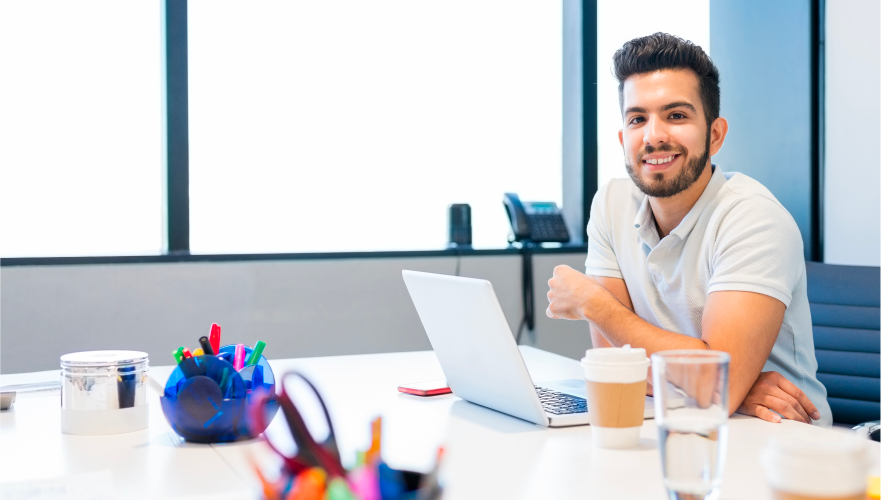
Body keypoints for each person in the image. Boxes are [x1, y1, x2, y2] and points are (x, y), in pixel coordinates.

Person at [546, 33, 831, 426]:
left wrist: (593, 304)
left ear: (714, 135)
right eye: (637, 119)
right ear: (622, 138)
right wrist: (716, 382)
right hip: (677, 417)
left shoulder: (753, 218)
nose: (654, 135)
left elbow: (714, 389)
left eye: (676, 116)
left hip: (778, 437)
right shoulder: (611, 203)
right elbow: (617, 366)